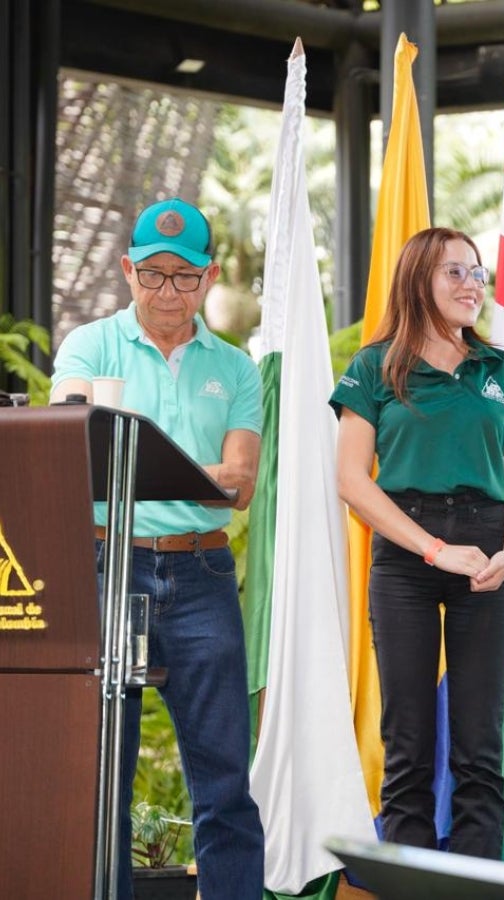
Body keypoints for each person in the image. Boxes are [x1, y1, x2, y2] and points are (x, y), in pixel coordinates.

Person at [51, 197, 265, 899]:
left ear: (207, 279)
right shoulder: (89, 344)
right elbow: (69, 439)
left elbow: (239, 485)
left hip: (203, 571)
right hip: (108, 566)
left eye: (183, 276)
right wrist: (186, 474)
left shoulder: (236, 369)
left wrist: (140, 459)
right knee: (99, 770)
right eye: (152, 274)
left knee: (225, 777)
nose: (166, 291)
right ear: (127, 269)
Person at [331, 226, 504, 858]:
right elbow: (350, 480)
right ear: (417, 278)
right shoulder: (375, 366)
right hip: (406, 558)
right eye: (455, 272)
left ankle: (478, 888)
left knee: (480, 746)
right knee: (409, 744)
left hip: (489, 551)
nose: (472, 285)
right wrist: (433, 549)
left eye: (478, 274)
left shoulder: (501, 367)